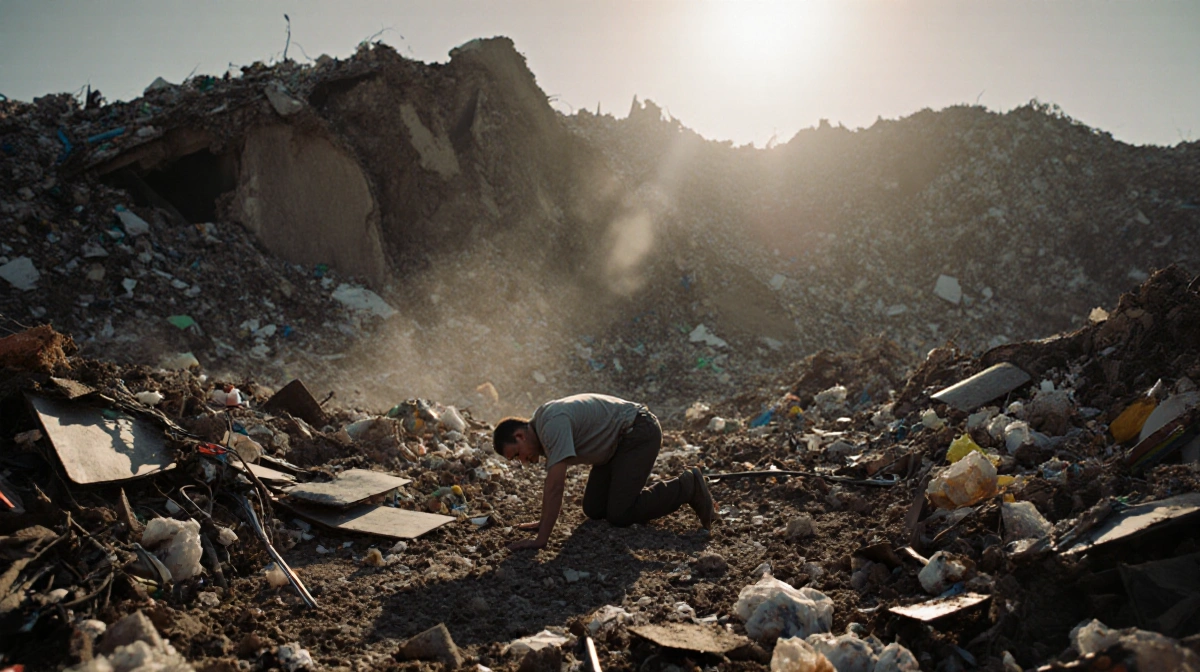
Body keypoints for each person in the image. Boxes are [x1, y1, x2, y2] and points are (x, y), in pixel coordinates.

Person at [492, 393, 715, 551]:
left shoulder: (550, 425)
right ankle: (640, 497)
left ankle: (688, 486)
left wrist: (541, 539)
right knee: (594, 508)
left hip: (637, 432)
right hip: (613, 447)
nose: (522, 461)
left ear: (520, 436)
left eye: (516, 454)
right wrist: (543, 522)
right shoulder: (543, 424)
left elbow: (555, 485)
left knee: (620, 513)